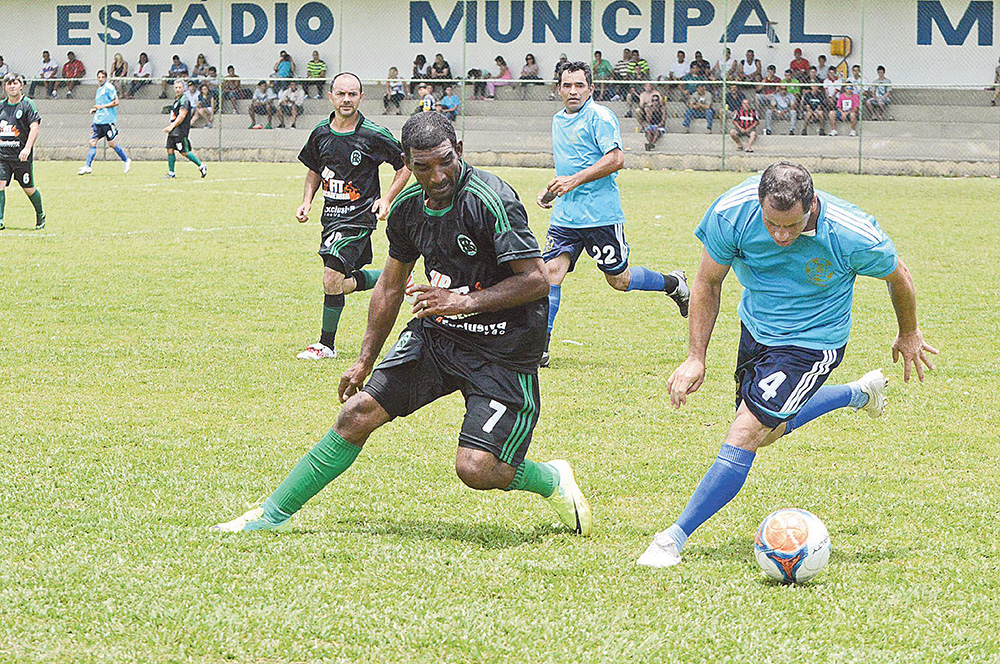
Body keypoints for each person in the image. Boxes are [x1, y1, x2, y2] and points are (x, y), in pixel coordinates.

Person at [212, 111, 593, 538]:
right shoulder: (408, 210)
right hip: (439, 335)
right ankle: (270, 515)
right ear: (408, 165)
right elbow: (390, 288)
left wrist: (461, 300)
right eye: (423, 167)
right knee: (356, 414)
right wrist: (363, 361)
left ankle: (551, 479)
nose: (437, 176)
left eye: (445, 161)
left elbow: (537, 280)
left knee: (478, 469)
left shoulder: (492, 199)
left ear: (459, 151)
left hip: (502, 348)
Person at [637, 162, 938, 569]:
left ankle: (673, 538)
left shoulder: (851, 233)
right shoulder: (732, 213)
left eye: (791, 226)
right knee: (767, 432)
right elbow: (707, 282)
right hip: (757, 330)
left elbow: (898, 275)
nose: (780, 236)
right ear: (760, 204)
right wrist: (696, 357)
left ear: (811, 205)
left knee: (745, 432)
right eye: (772, 224)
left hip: (813, 343)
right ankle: (857, 393)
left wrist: (909, 333)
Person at [536, 62, 689, 367]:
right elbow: (570, 166)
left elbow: (616, 158)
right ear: (558, 89)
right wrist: (553, 190)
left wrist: (573, 181)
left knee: (618, 280)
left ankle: (674, 283)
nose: (573, 91)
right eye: (567, 85)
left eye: (579, 85)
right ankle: (541, 347)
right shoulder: (557, 120)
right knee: (550, 275)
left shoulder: (600, 117)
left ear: (591, 89)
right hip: (566, 216)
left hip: (601, 215)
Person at [293, 72, 412, 360]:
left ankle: (326, 345)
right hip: (330, 218)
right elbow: (314, 169)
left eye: (352, 94)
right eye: (341, 93)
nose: (346, 99)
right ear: (331, 96)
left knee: (331, 277)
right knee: (339, 283)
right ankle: (391, 278)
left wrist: (386, 199)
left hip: (358, 218)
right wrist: (307, 201)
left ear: (361, 97)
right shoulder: (320, 133)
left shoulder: (372, 133)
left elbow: (404, 164)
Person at [0, 74, 46, 231]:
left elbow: (35, 127)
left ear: (21, 86)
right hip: (2, 156)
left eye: (15, 83)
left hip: (21, 157)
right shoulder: (1, 106)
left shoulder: (27, 104)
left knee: (28, 188)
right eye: (9, 83)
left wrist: (27, 148)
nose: (12, 86)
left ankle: (40, 214)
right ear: (5, 87)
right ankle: (0, 220)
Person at [77, 70, 131, 175]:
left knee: (111, 144)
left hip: (107, 120)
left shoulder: (109, 87)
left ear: (105, 78)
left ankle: (126, 160)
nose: (100, 79)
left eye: (102, 77)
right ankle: (88, 166)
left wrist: (101, 107)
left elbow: (116, 102)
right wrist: (95, 109)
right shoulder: (99, 90)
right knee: (92, 142)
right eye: (99, 77)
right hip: (98, 121)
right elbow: (99, 104)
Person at [162, 79, 207, 179]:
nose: (178, 89)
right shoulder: (177, 100)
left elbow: (182, 116)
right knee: (169, 149)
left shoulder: (184, 100)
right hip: (174, 130)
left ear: (184, 89)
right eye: (176, 87)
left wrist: (171, 126)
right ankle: (171, 173)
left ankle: (202, 166)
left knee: (184, 152)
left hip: (180, 131)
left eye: (180, 87)